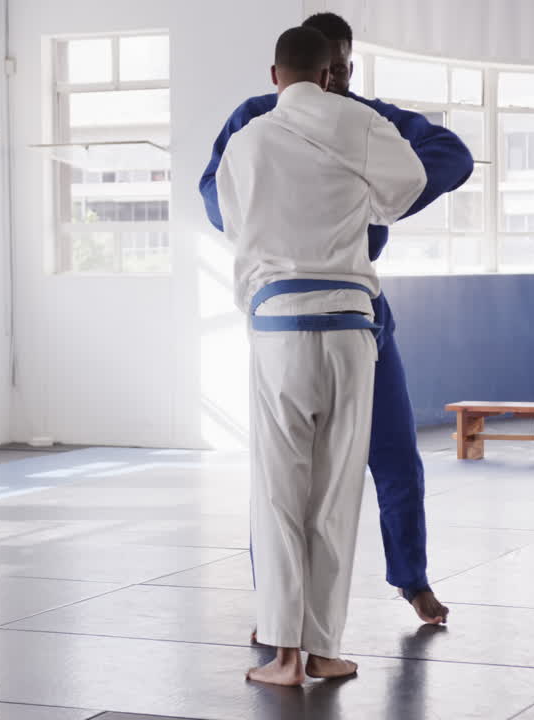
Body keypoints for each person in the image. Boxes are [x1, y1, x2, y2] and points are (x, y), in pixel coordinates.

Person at [200, 11, 473, 627]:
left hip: (358, 304)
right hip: (285, 304)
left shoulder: (366, 120)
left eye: (346, 68)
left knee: (394, 454)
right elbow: (215, 194)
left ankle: (413, 580)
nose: (337, 79)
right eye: (331, 68)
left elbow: (451, 155)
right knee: (280, 474)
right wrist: (276, 224)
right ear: (303, 67)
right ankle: (278, 607)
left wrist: (371, 208)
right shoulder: (255, 120)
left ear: (347, 65)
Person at [217, 26, 425, 686]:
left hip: (278, 324)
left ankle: (282, 656)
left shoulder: (246, 141)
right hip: (350, 326)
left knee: (279, 492)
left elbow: (234, 224)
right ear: (331, 74)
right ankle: (326, 649)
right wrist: (365, 201)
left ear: (275, 74)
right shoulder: (360, 123)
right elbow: (410, 183)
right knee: (337, 492)